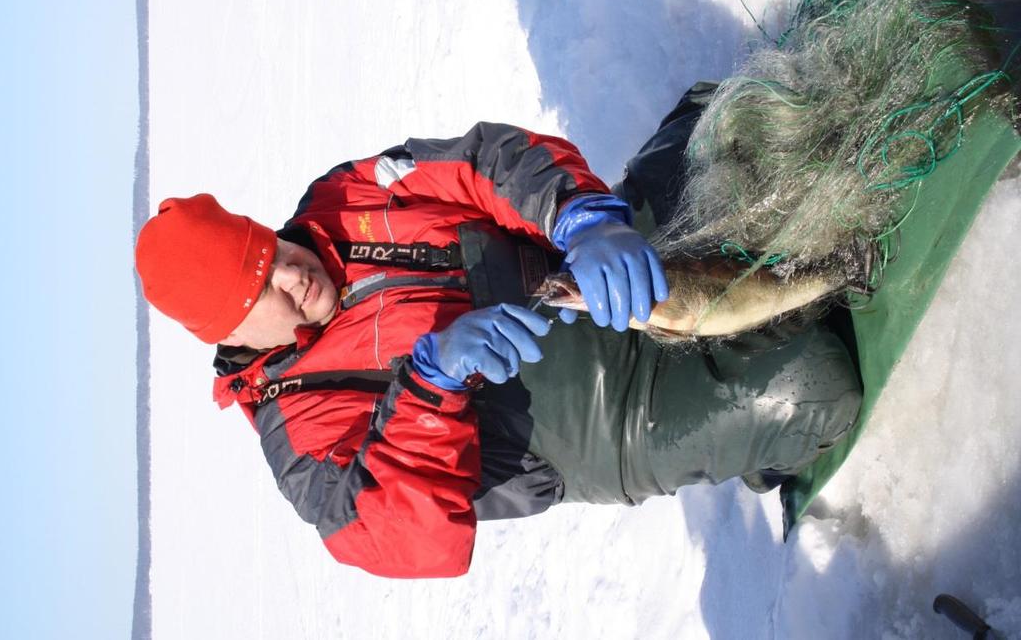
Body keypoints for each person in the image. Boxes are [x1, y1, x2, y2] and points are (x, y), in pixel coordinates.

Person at [135, 118, 861, 579]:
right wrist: (429, 383)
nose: (292, 270)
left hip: (588, 271)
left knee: (728, 119)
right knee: (815, 384)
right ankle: (765, 448)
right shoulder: (296, 429)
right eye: (260, 285)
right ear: (229, 332)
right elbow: (391, 535)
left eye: (269, 248)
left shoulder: (344, 199)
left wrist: (585, 219)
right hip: (592, 425)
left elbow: (486, 162)